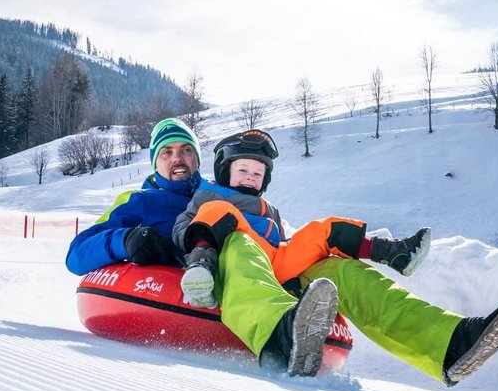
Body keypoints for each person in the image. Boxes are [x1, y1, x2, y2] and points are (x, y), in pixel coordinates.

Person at [65, 118, 498, 386]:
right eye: (167, 153)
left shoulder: (232, 189)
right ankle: (281, 337)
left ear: (201, 160)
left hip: (263, 270)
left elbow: (279, 245)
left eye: (186, 150)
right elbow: (76, 255)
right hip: (203, 276)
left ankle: (446, 343)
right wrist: (125, 240)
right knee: (238, 242)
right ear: (155, 160)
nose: (178, 158)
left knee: (337, 268)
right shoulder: (137, 202)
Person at [171, 128, 430, 310]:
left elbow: (282, 241)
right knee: (216, 211)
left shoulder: (270, 209)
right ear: (224, 170)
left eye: (258, 173)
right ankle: (201, 273)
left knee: (323, 228)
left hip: (274, 263)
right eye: (243, 169)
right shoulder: (210, 195)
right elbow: (183, 225)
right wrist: (194, 243)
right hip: (234, 264)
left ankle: (391, 252)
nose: (250, 176)